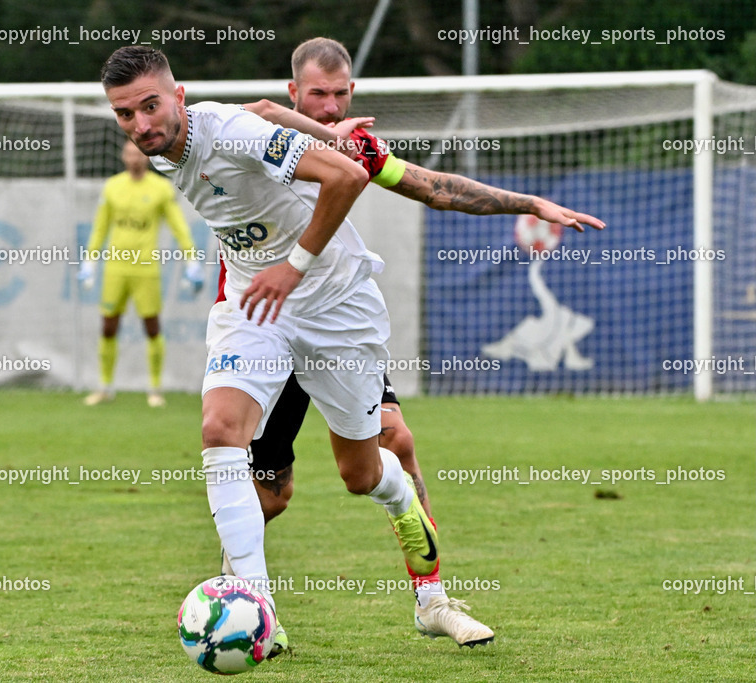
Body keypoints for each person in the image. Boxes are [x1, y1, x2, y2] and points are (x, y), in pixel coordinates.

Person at [225, 37, 606, 650]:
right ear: (297, 91)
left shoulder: (360, 148)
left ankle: (433, 600)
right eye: (316, 94)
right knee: (269, 492)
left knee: (387, 448)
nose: (328, 105)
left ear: (353, 91)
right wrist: (322, 133)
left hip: (337, 325)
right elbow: (260, 113)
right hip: (264, 324)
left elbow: (436, 187)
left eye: (340, 92)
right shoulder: (250, 135)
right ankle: (237, 601)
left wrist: (530, 202)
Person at [101, 44, 443, 655]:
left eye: (150, 106)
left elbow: (350, 175)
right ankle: (257, 609)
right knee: (219, 428)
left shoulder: (226, 131)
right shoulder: (161, 155)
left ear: (178, 97)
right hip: (260, 307)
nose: (140, 125)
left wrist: (294, 264)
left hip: (336, 307)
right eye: (125, 115)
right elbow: (266, 113)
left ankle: (399, 501)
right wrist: (315, 130)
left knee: (360, 474)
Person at [80, 139, 203, 408]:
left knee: (152, 326)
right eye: (129, 153)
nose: (134, 158)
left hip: (146, 268)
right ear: (123, 156)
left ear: (146, 157)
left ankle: (155, 387)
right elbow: (100, 227)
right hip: (116, 267)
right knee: (108, 326)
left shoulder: (160, 189)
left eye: (138, 153)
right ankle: (104, 386)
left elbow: (178, 226)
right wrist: (89, 261)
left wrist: (192, 259)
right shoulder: (112, 187)